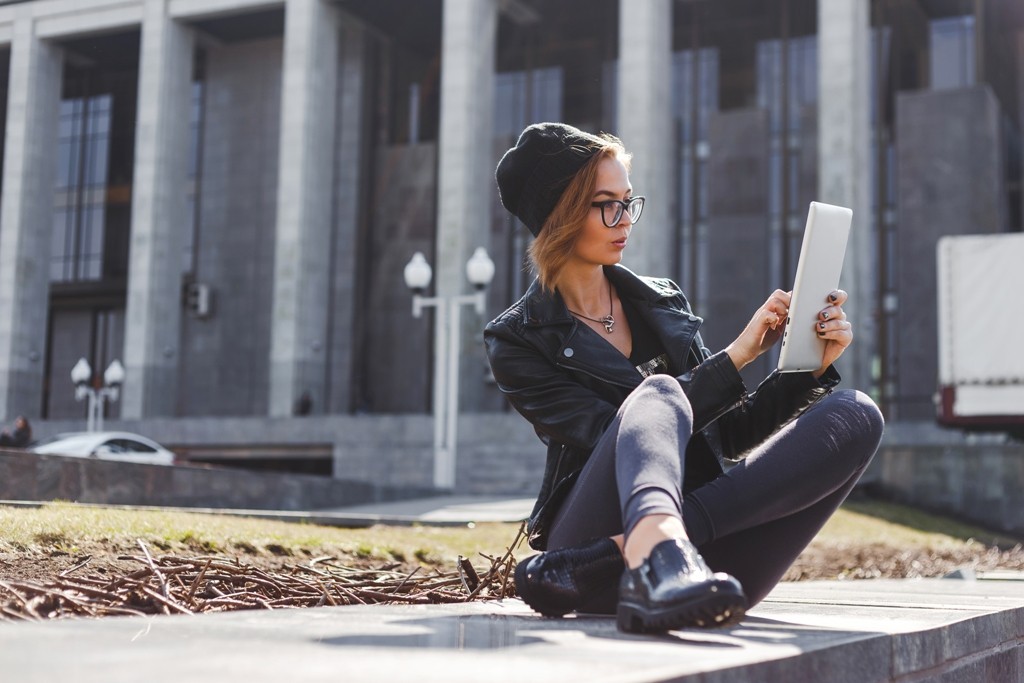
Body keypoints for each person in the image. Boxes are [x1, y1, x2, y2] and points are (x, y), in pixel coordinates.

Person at [484, 122, 884, 634]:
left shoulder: (660, 302)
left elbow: (727, 437)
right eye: (605, 203)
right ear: (559, 215)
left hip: (670, 567)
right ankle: (647, 543)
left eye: (628, 201)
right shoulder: (518, 339)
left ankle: (637, 551)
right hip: (596, 524)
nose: (623, 219)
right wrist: (736, 356)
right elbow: (617, 432)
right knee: (657, 393)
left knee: (856, 412)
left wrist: (809, 368)